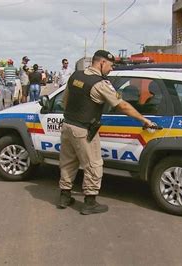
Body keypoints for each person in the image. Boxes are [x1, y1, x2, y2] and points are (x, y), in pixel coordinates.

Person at [58, 50, 154, 215]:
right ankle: (90, 202)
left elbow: (65, 101)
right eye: (110, 65)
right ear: (101, 63)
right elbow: (122, 105)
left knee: (68, 162)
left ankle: (64, 196)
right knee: (94, 165)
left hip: (67, 125)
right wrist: (144, 120)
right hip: (83, 129)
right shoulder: (100, 84)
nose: (111, 69)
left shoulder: (75, 76)